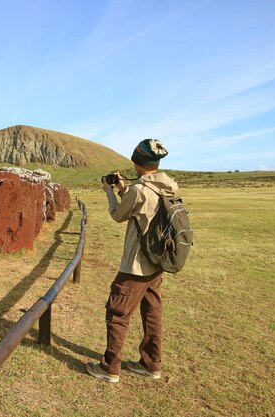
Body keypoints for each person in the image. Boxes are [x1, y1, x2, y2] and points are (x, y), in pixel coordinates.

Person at [86, 138, 177, 383]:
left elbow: (119, 214)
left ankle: (109, 367)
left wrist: (109, 192)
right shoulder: (165, 186)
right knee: (152, 314)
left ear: (136, 161)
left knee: (117, 313)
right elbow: (140, 208)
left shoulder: (139, 190)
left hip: (136, 265)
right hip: (156, 263)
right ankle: (151, 364)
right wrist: (124, 189)